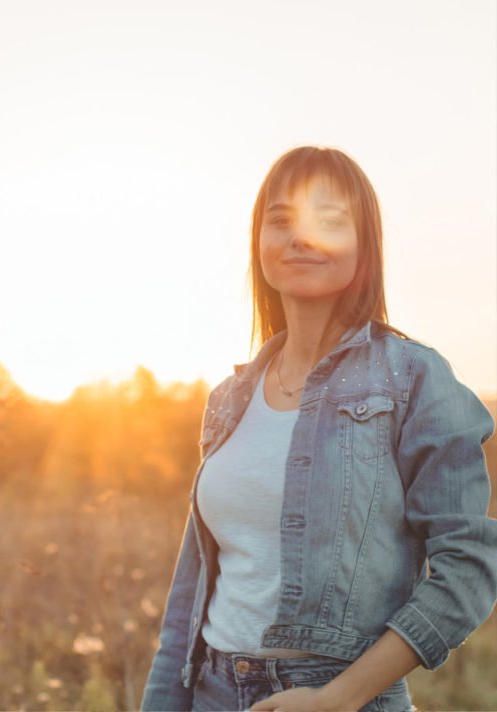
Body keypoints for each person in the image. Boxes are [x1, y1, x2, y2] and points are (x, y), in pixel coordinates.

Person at [141, 146, 495, 711]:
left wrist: (338, 697)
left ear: (365, 245)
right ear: (259, 242)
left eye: (328, 221)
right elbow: (191, 596)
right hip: (209, 690)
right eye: (280, 221)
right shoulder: (229, 399)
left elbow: (469, 571)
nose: (301, 237)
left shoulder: (414, 379)